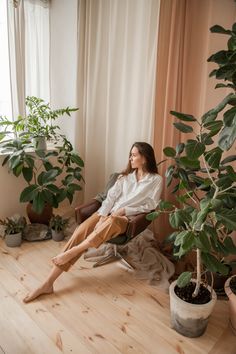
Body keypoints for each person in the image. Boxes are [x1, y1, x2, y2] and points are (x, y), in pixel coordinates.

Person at [23, 142, 163, 303]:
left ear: (144, 158)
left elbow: (152, 205)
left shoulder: (155, 180)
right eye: (130, 154)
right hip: (108, 213)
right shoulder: (125, 177)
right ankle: (47, 283)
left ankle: (75, 251)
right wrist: (102, 215)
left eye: (134, 155)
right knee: (80, 232)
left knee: (113, 221)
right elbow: (110, 198)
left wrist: (125, 210)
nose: (130, 158)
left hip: (127, 219)